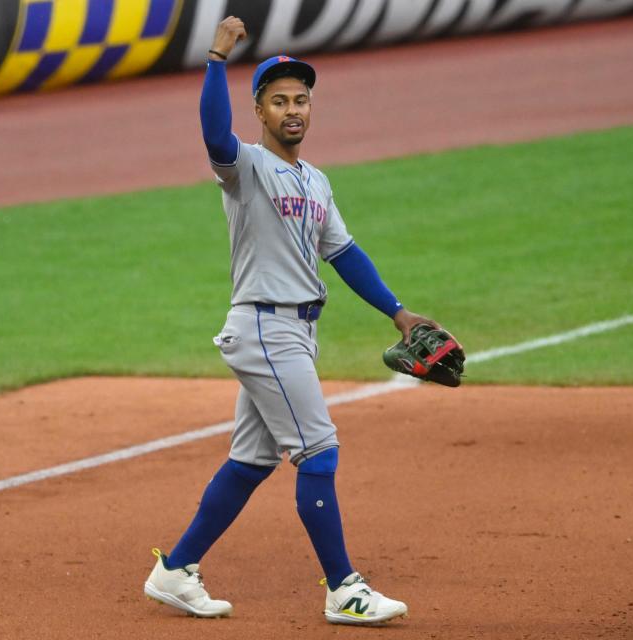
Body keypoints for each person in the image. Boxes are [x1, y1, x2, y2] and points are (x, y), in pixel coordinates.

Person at [144, 16, 441, 626]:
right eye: (279, 101)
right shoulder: (246, 168)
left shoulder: (316, 181)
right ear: (259, 110)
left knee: (253, 460)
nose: (293, 109)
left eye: (301, 99)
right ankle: (344, 590)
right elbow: (212, 134)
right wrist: (215, 59)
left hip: (298, 332)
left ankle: (176, 569)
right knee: (319, 450)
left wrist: (397, 311)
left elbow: (345, 255)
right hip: (264, 328)